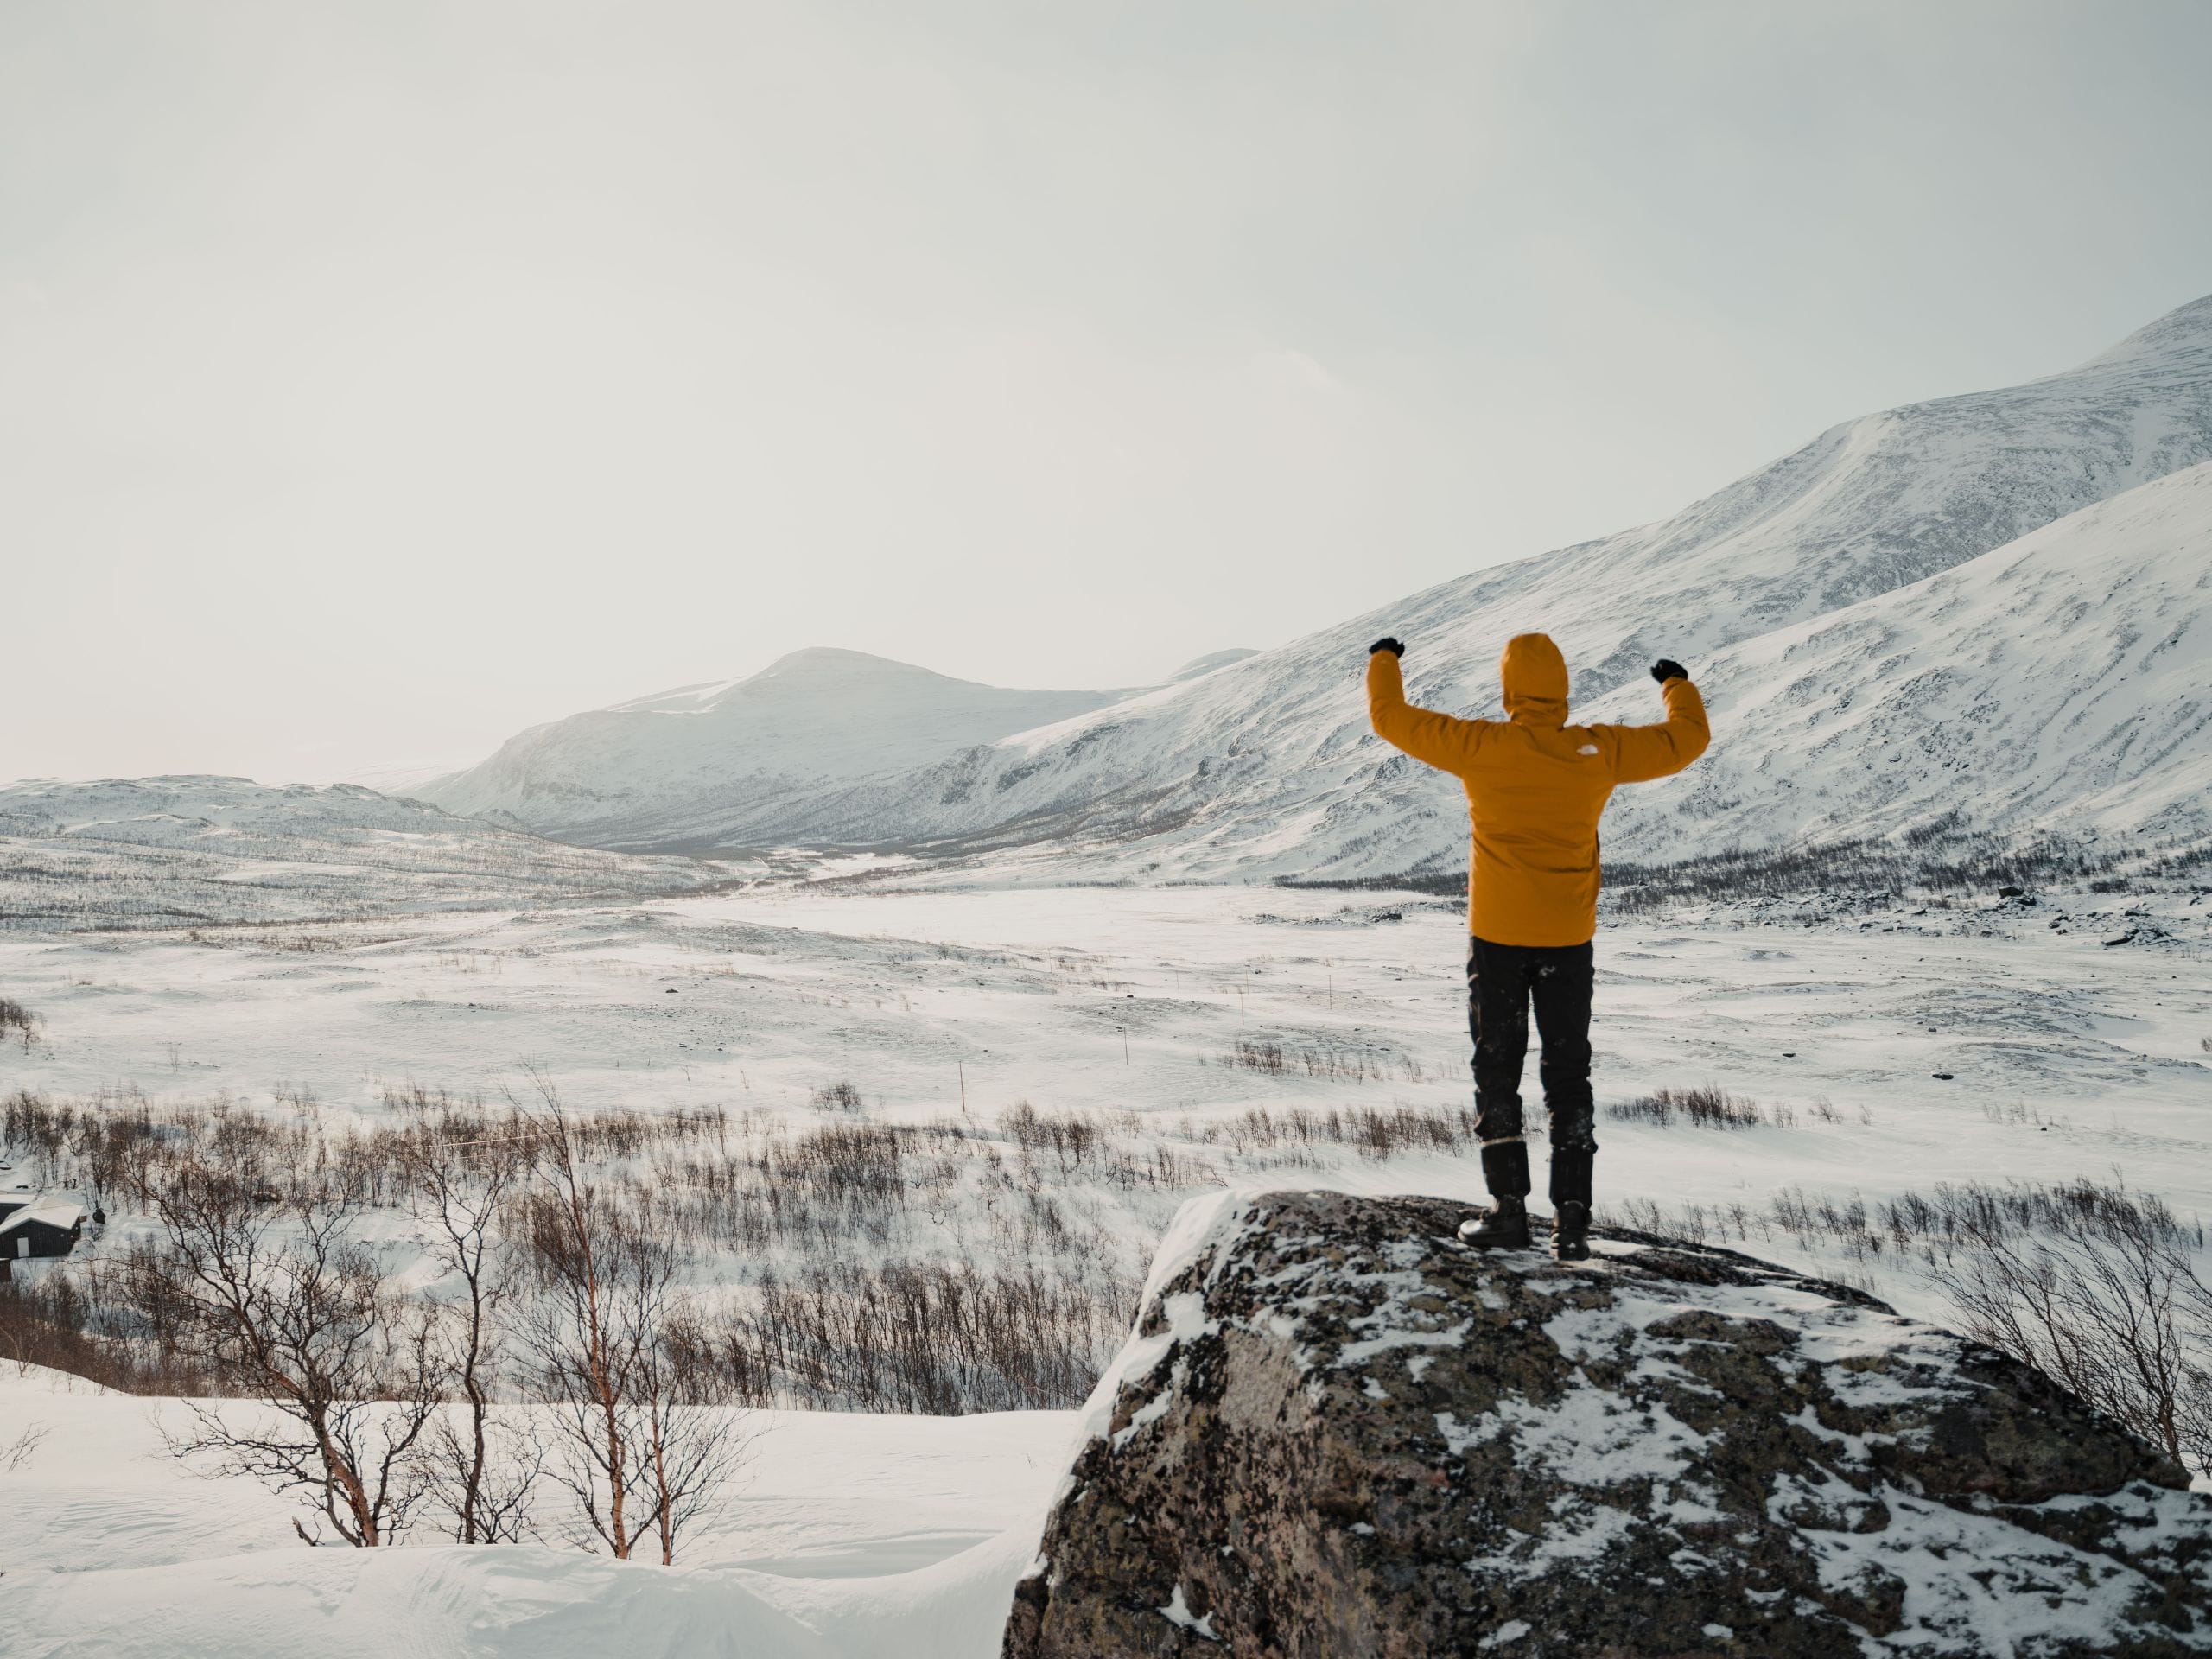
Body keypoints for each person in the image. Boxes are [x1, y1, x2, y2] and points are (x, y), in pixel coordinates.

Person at [1364, 632, 1709, 1261]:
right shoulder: (1599, 750)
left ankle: (1508, 1212)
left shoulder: (1482, 746)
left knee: (1497, 1069)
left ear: (1508, 691)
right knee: (1568, 1075)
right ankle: (1572, 1226)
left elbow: (1390, 718)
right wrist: (1676, 685)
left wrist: (1384, 660)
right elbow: (1686, 742)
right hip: (1569, 939)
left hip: (1496, 935)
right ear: (1563, 690)